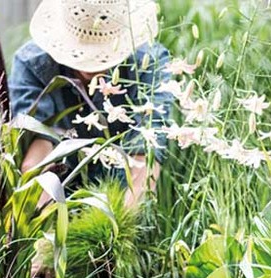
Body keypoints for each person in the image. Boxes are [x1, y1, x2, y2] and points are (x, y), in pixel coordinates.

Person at [10, 0, 173, 208]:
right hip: (58, 192)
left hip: (123, 192)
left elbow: (146, 158)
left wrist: (120, 228)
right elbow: (37, 159)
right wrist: (48, 229)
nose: (90, 69)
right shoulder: (34, 64)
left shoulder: (149, 64)